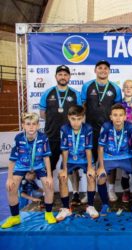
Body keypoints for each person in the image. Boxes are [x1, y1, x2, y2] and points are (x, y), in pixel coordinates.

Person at [1, 113, 56, 229]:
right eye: (28, 124)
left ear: (37, 126)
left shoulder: (43, 137)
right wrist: (9, 178)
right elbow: (12, 160)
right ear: (23, 126)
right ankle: (15, 217)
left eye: (34, 124)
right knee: (10, 187)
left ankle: (49, 213)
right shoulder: (19, 138)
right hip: (22, 165)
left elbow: (46, 157)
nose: (31, 127)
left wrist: (50, 176)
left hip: (38, 165)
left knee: (49, 185)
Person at [39, 65, 82, 204]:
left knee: (72, 166)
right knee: (49, 166)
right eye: (60, 74)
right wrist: (54, 124)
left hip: (70, 138)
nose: (63, 77)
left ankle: (75, 193)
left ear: (69, 77)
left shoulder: (75, 94)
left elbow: (79, 115)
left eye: (65, 74)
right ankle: (47, 193)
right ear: (56, 76)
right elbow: (42, 114)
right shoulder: (48, 93)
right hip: (51, 137)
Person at [81, 60, 122, 202]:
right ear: (95, 70)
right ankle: (89, 190)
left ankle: (110, 189)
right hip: (91, 129)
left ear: (109, 71)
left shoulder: (115, 88)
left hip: (109, 130)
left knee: (110, 159)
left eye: (106, 68)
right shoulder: (87, 86)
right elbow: (83, 107)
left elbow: (118, 110)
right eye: (100, 68)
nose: (103, 70)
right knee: (90, 160)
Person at [56, 105, 99, 221]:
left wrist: (90, 167)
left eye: (79, 119)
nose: (76, 122)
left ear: (83, 118)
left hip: (84, 158)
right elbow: (64, 150)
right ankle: (65, 208)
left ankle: (90, 206)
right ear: (68, 117)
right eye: (73, 119)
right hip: (69, 159)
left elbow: (88, 149)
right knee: (62, 177)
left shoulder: (88, 128)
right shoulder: (64, 129)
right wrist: (64, 169)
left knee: (91, 175)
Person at [96, 104, 132, 215]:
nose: (118, 118)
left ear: (125, 117)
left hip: (126, 156)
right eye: (115, 115)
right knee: (101, 177)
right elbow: (101, 147)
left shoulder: (130, 126)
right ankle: (105, 204)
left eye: (121, 115)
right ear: (111, 117)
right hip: (109, 156)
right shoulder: (106, 126)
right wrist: (101, 166)